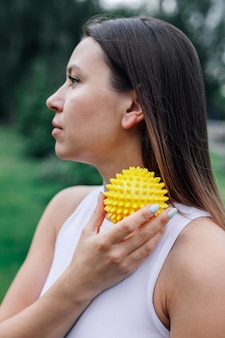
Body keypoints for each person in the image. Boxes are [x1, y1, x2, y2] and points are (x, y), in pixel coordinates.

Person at [1, 15, 225, 337]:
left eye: (74, 80)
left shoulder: (206, 258)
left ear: (133, 106)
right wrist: (79, 283)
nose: (53, 100)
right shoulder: (63, 211)